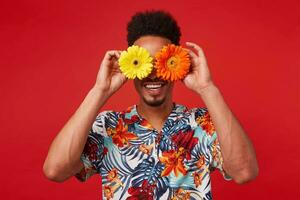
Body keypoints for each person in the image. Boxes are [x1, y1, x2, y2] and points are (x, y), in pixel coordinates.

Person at [43, 10, 258, 200]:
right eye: (143, 63)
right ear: (130, 66)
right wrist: (100, 91)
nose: (153, 73)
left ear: (177, 64)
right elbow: (55, 170)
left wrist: (207, 88)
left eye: (161, 61)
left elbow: (244, 172)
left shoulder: (203, 124)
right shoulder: (109, 126)